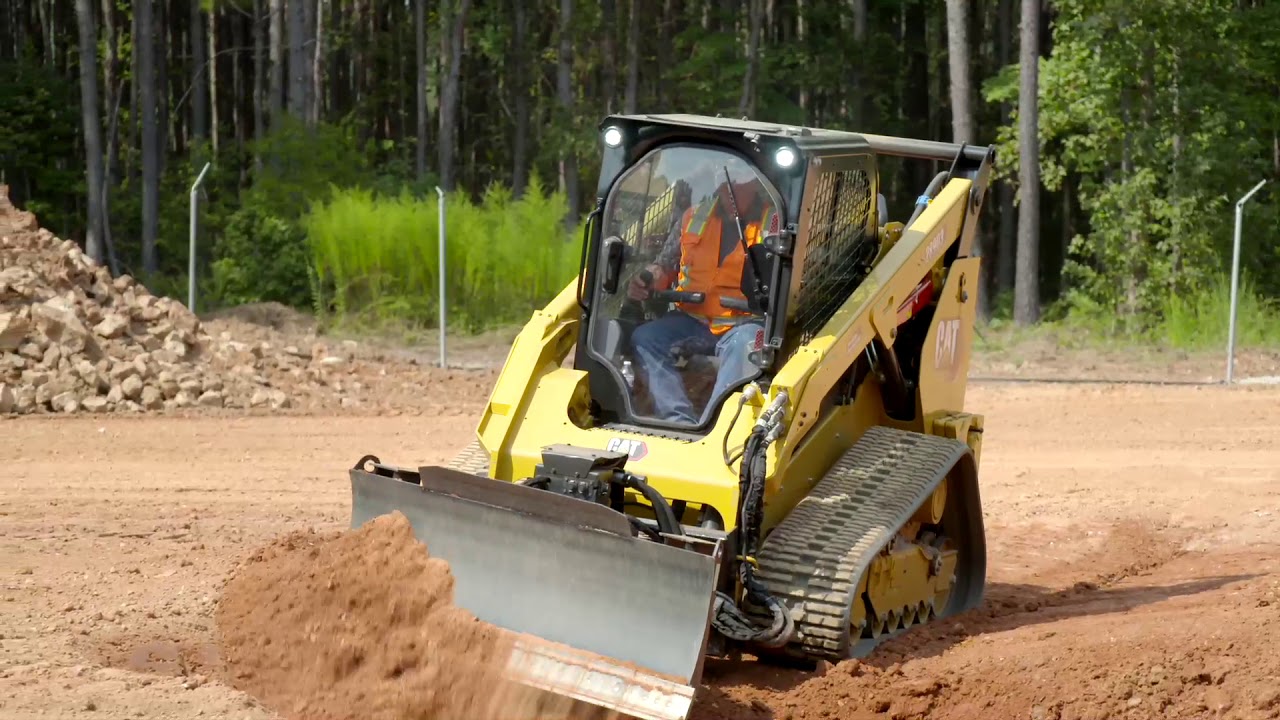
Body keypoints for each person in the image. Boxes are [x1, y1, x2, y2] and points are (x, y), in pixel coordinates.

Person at [626, 164, 778, 424]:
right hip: (692, 319)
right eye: (723, 185)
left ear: (754, 186)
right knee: (645, 337)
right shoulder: (693, 217)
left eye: (736, 186)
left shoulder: (773, 225)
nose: (727, 192)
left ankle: (714, 424)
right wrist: (646, 280)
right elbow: (665, 265)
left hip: (742, 324)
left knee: (746, 345)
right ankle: (679, 420)